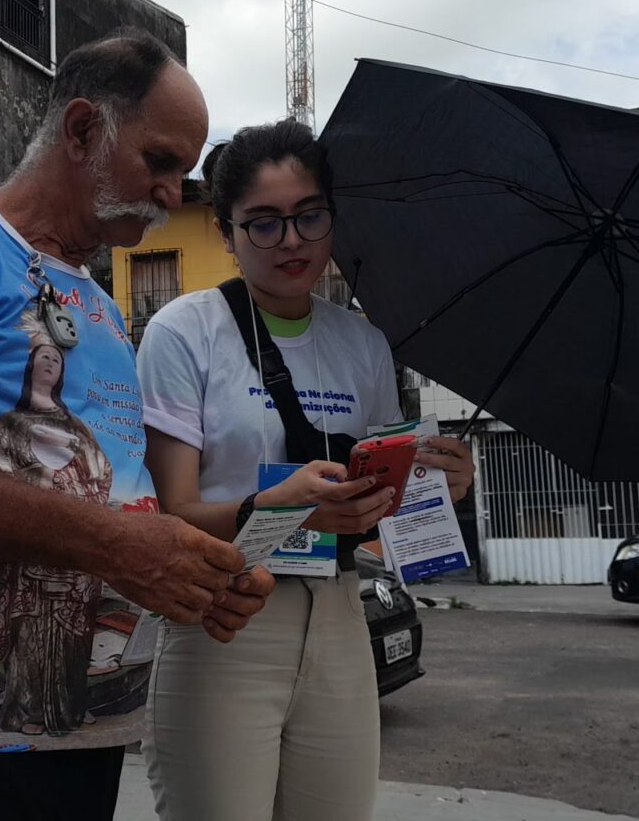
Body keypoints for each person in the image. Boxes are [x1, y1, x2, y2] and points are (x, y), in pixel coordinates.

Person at [0, 31, 277, 821]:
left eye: (183, 172)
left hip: (88, 727)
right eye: (160, 161)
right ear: (82, 130)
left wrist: (195, 580)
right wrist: (119, 548)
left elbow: (125, 503)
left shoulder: (103, 310)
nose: (173, 193)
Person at [137, 119, 477, 820]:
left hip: (342, 613)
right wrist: (284, 509)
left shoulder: (364, 344)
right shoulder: (185, 331)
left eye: (309, 216)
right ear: (226, 233)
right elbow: (172, 516)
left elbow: (379, 511)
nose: (291, 241)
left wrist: (436, 490)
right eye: (263, 223)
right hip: (225, 617)